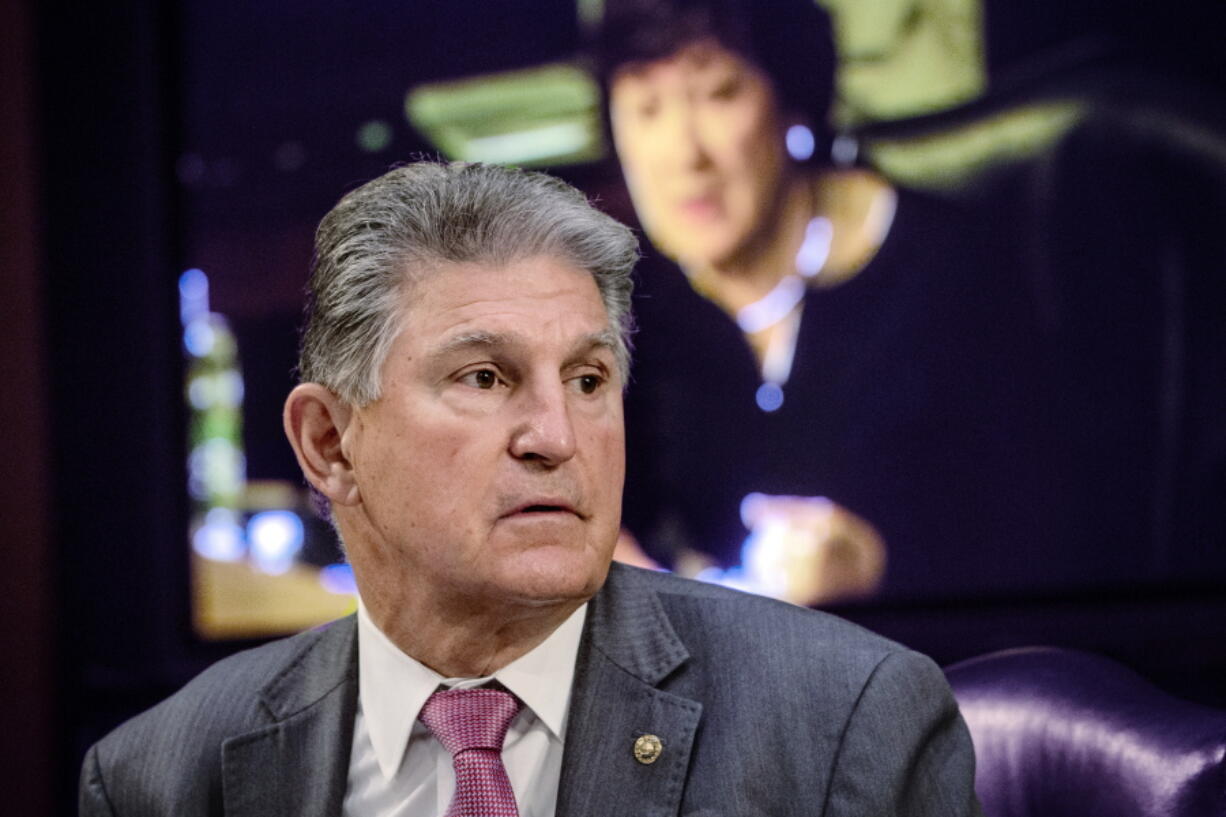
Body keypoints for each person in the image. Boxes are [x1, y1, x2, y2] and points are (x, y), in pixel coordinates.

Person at [79, 161, 982, 816]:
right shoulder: (160, 779)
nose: (557, 437)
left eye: (589, 382)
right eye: (483, 378)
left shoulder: (847, 724)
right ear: (329, 443)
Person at [595, 0, 1072, 603]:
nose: (683, 152)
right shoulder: (625, 303)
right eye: (645, 108)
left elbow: (1050, 538)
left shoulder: (949, 275)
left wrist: (879, 569)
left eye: (719, 94)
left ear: (791, 101)